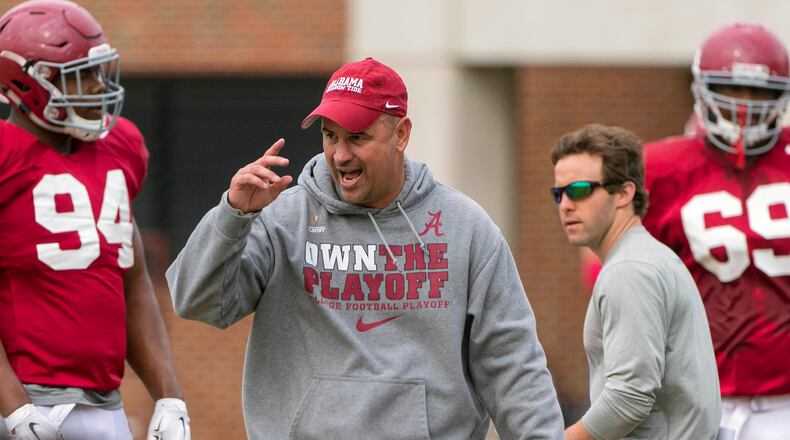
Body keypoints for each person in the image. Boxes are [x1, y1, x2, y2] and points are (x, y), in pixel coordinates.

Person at [166, 57, 565, 439]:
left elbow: (512, 363)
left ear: (401, 134)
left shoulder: (465, 228)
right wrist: (233, 215)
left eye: (358, 137)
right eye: (330, 136)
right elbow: (197, 302)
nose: (340, 155)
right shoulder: (282, 217)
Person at [0, 1, 190, 439]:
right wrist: (13, 408)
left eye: (98, 70)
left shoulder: (119, 147)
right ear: (31, 82)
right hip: (19, 401)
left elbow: (133, 278)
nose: (96, 85)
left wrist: (169, 395)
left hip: (103, 401)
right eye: (80, 74)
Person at [642, 22, 790, 439]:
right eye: (732, 90)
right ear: (702, 89)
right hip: (696, 393)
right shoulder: (659, 167)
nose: (744, 107)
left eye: (758, 93)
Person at [551, 124, 721, 440]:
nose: (565, 205)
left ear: (624, 193)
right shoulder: (647, 257)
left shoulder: (630, 270)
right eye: (558, 193)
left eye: (578, 190)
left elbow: (628, 398)